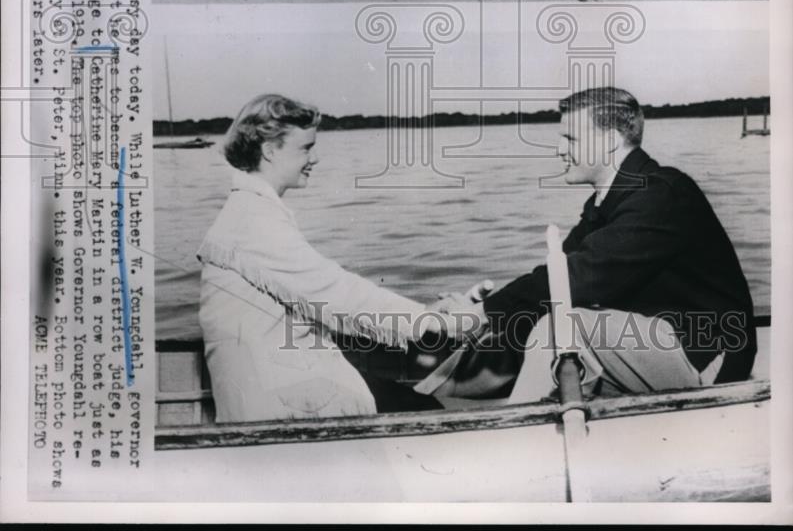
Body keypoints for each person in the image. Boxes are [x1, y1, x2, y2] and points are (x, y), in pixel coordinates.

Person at [422, 87, 756, 402]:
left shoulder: (662, 193)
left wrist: (481, 314)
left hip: (709, 357)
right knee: (524, 317)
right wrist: (477, 311)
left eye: (570, 138)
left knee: (558, 325)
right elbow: (555, 278)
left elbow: (574, 279)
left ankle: (517, 437)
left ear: (609, 142)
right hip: (655, 343)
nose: (559, 149)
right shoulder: (609, 200)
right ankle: (425, 402)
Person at [197, 92, 471, 423]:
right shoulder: (253, 220)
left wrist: (423, 314)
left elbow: (323, 296)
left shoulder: (250, 210)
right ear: (270, 151)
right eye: (306, 148)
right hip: (275, 398)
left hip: (266, 383)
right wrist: (429, 321)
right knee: (427, 414)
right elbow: (338, 293)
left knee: (406, 399)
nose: (314, 158)